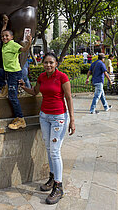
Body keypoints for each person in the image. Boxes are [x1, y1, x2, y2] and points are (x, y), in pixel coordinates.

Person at [19, 52, 75, 205]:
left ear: (56, 64)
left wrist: (72, 120)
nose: (48, 65)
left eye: (51, 62)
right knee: (49, 148)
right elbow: (35, 91)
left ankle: (59, 186)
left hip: (59, 118)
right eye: (46, 62)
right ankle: (52, 177)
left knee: (55, 151)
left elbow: (69, 98)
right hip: (44, 116)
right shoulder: (42, 77)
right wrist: (24, 87)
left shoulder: (62, 77)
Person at [0, 15, 32, 129]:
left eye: (7, 36)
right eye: (3, 37)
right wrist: (5, 24)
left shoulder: (13, 45)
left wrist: (29, 42)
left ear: (11, 37)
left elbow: (23, 50)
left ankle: (21, 119)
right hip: (7, 72)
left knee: (12, 97)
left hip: (14, 74)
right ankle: (4, 87)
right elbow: (3, 32)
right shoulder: (5, 44)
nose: (4, 37)